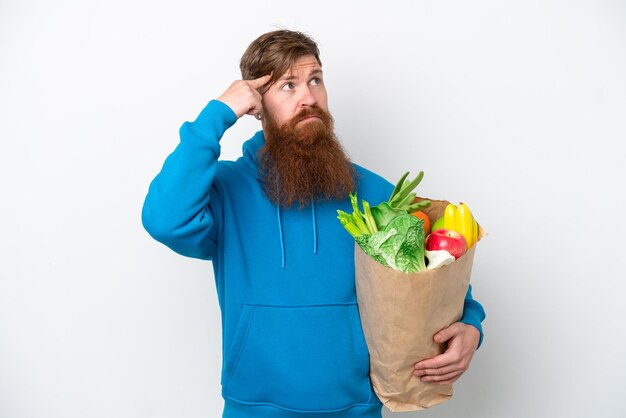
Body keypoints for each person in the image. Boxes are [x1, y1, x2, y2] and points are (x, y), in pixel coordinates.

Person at [142, 29, 485, 418]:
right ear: (256, 106)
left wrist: (471, 325)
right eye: (288, 85)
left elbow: (436, 274)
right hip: (253, 410)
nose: (309, 97)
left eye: (315, 80)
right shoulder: (226, 192)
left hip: (356, 408)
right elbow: (165, 220)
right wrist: (216, 115)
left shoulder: (375, 194)